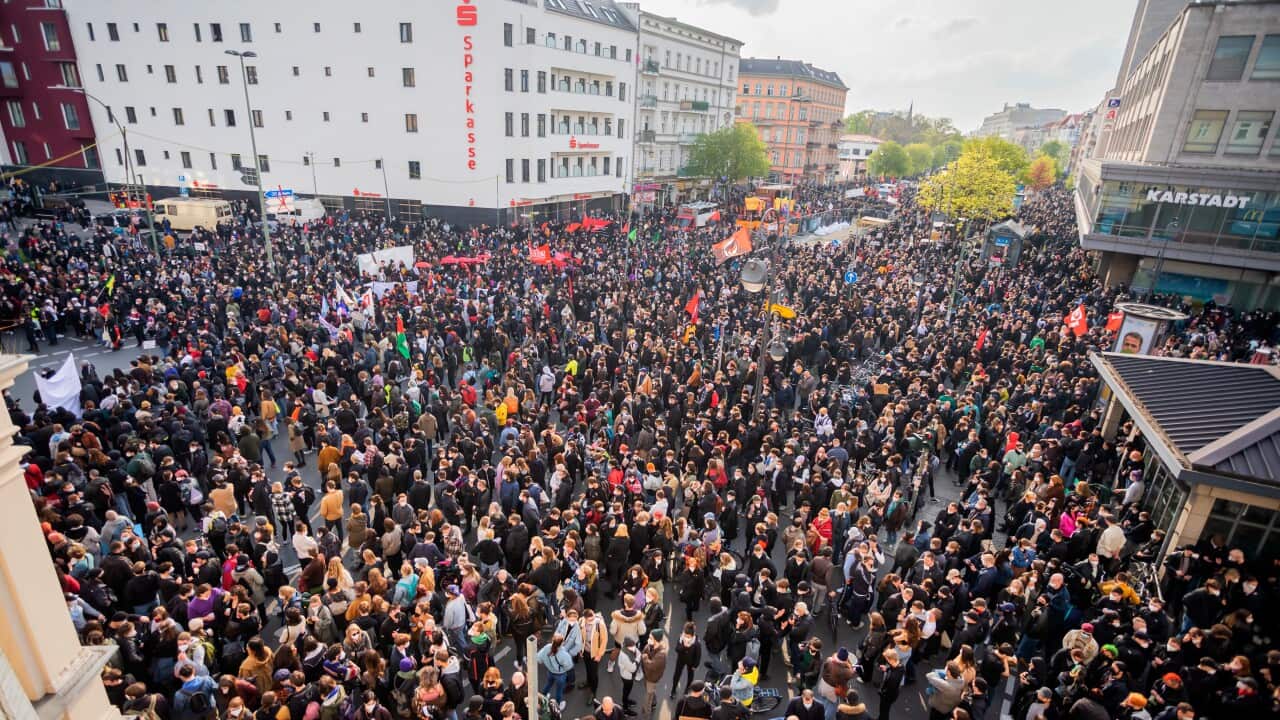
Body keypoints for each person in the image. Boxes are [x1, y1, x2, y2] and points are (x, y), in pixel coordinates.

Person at [876, 648, 905, 720]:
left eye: (887, 659)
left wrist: (882, 693)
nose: (886, 661)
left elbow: (889, 690)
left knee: (884, 711)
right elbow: (893, 669)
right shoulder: (900, 666)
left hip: (888, 696)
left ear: (891, 659)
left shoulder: (893, 677)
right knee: (884, 710)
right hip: (893, 694)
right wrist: (887, 669)